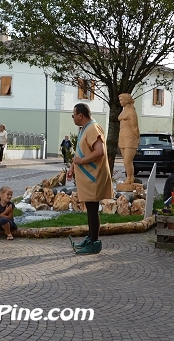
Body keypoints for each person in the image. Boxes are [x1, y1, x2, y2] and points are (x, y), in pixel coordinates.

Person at [67, 103, 113, 254]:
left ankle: (94, 243)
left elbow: (100, 151)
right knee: (90, 209)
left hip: (94, 176)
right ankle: (91, 237)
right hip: (87, 176)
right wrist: (73, 166)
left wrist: (80, 161)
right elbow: (81, 152)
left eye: (73, 114)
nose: (72, 117)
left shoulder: (93, 128)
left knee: (93, 209)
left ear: (80, 115)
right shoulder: (84, 129)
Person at [118, 93, 140, 184]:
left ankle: (130, 178)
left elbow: (135, 127)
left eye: (121, 100)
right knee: (126, 161)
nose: (120, 102)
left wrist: (137, 138)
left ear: (126, 100)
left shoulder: (132, 112)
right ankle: (130, 177)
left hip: (130, 138)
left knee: (127, 160)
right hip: (122, 137)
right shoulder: (123, 111)